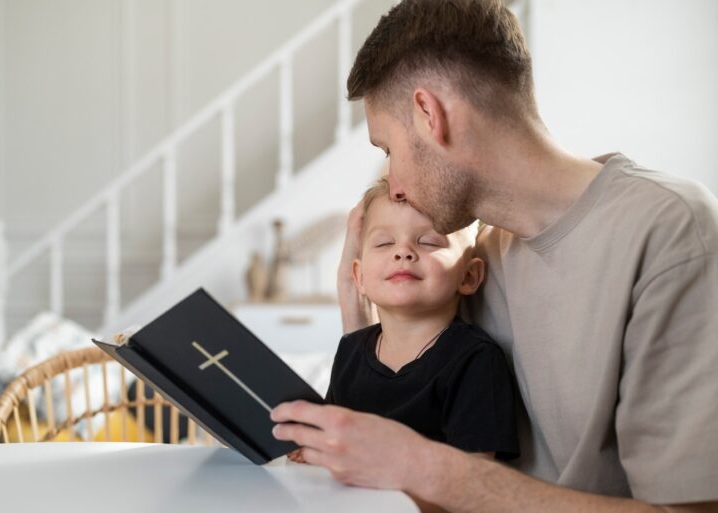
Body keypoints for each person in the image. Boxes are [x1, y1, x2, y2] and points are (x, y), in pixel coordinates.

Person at [270, 0, 718, 511]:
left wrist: (429, 469)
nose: (393, 186)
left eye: (388, 150)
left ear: (429, 115)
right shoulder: (480, 257)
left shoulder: (670, 230)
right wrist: (359, 321)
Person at [289, 177, 519, 465]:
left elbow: (474, 478)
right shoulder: (351, 349)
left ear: (469, 276)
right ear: (359, 277)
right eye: (384, 243)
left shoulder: (475, 359)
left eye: (428, 241)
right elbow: (335, 438)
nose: (403, 251)